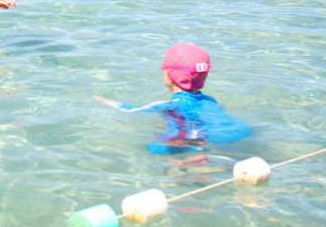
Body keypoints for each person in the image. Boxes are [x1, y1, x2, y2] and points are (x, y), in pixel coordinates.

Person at [96, 42, 251, 155]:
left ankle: (188, 159)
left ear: (170, 76)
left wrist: (106, 101)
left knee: (149, 149)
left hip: (190, 139)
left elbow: (132, 110)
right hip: (232, 131)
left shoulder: (171, 104)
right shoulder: (210, 100)